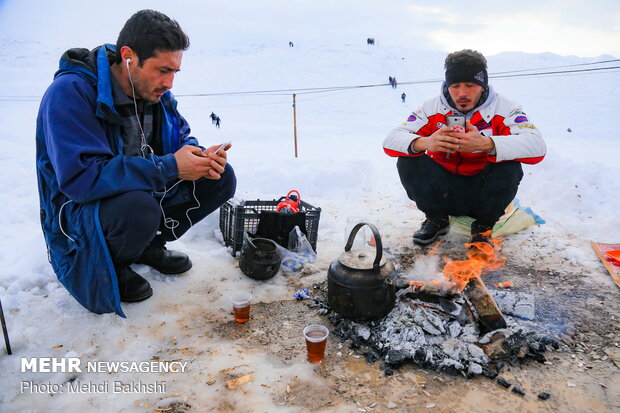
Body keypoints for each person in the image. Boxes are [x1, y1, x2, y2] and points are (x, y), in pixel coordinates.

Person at [35, 9, 237, 317]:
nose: (169, 82)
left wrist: (197, 156)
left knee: (219, 176)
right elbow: (82, 180)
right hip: (79, 217)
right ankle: (111, 264)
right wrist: (170, 167)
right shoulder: (70, 94)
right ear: (129, 57)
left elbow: (181, 136)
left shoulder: (154, 93)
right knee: (137, 205)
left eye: (174, 73)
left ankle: (146, 245)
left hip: (136, 194)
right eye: (162, 70)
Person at [383, 49, 545, 246]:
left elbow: (537, 147)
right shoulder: (431, 108)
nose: (462, 93)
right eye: (455, 86)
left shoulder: (505, 108)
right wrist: (425, 142)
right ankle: (436, 219)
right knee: (408, 159)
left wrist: (488, 144)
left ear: (483, 86)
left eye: (470, 85)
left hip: (482, 195)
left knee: (510, 166)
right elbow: (391, 141)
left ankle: (483, 227)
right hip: (444, 193)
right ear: (447, 85)